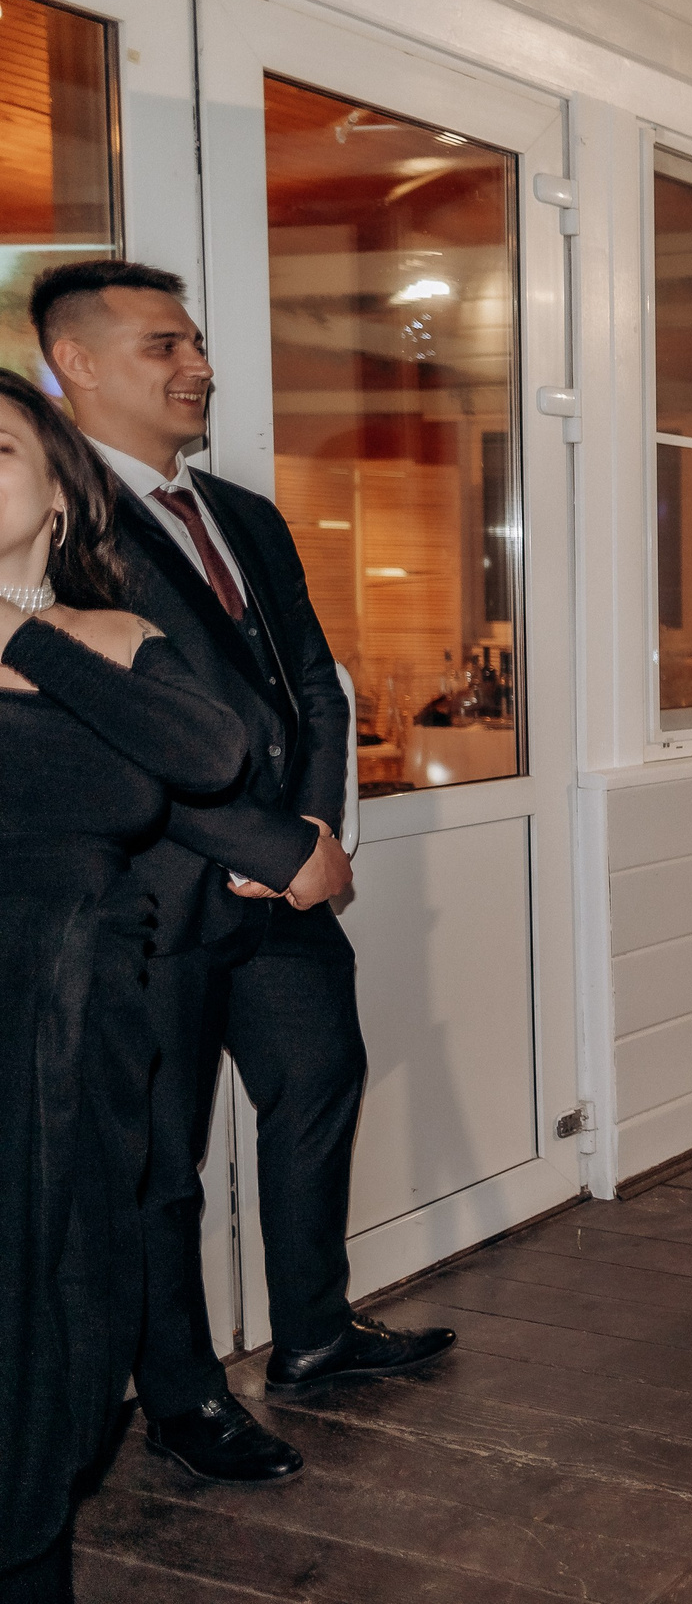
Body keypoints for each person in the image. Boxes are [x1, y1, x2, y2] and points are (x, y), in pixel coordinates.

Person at [32, 260, 453, 1490]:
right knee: (163, 1159)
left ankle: (315, 1331)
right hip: (154, 900)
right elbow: (111, 731)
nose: (198, 365)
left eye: (198, 342)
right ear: (81, 365)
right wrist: (273, 850)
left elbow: (314, 682)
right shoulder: (54, 533)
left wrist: (318, 836)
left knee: (320, 1086)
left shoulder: (246, 516)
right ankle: (182, 1393)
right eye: (166, 345)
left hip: (288, 887)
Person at [0, 368, 248, 1601]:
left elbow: (206, 752)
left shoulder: (109, 634)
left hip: (84, 1018)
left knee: (67, 1307)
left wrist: (12, 628)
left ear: (56, 493)